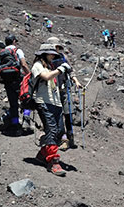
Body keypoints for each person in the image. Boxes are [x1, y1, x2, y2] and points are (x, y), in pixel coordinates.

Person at [31, 43, 72, 176]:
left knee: (60, 130)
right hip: (43, 101)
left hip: (55, 102)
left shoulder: (50, 66)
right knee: (52, 130)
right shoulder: (37, 65)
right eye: (50, 53)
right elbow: (46, 77)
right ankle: (53, 162)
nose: (53, 55)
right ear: (44, 53)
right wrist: (61, 69)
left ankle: (42, 154)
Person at [47, 37, 82, 150]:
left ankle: (70, 137)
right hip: (52, 91)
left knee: (68, 113)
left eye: (58, 47)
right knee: (58, 115)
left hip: (63, 89)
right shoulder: (46, 59)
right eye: (55, 47)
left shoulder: (63, 57)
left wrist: (76, 81)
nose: (57, 49)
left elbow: (70, 70)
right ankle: (62, 138)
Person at [0, 34, 31, 136]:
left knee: (13, 104)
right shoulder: (17, 51)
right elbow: (23, 64)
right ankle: (26, 121)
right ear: (13, 41)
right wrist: (30, 75)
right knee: (26, 100)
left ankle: (15, 125)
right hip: (18, 79)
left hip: (7, 81)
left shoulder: (2, 52)